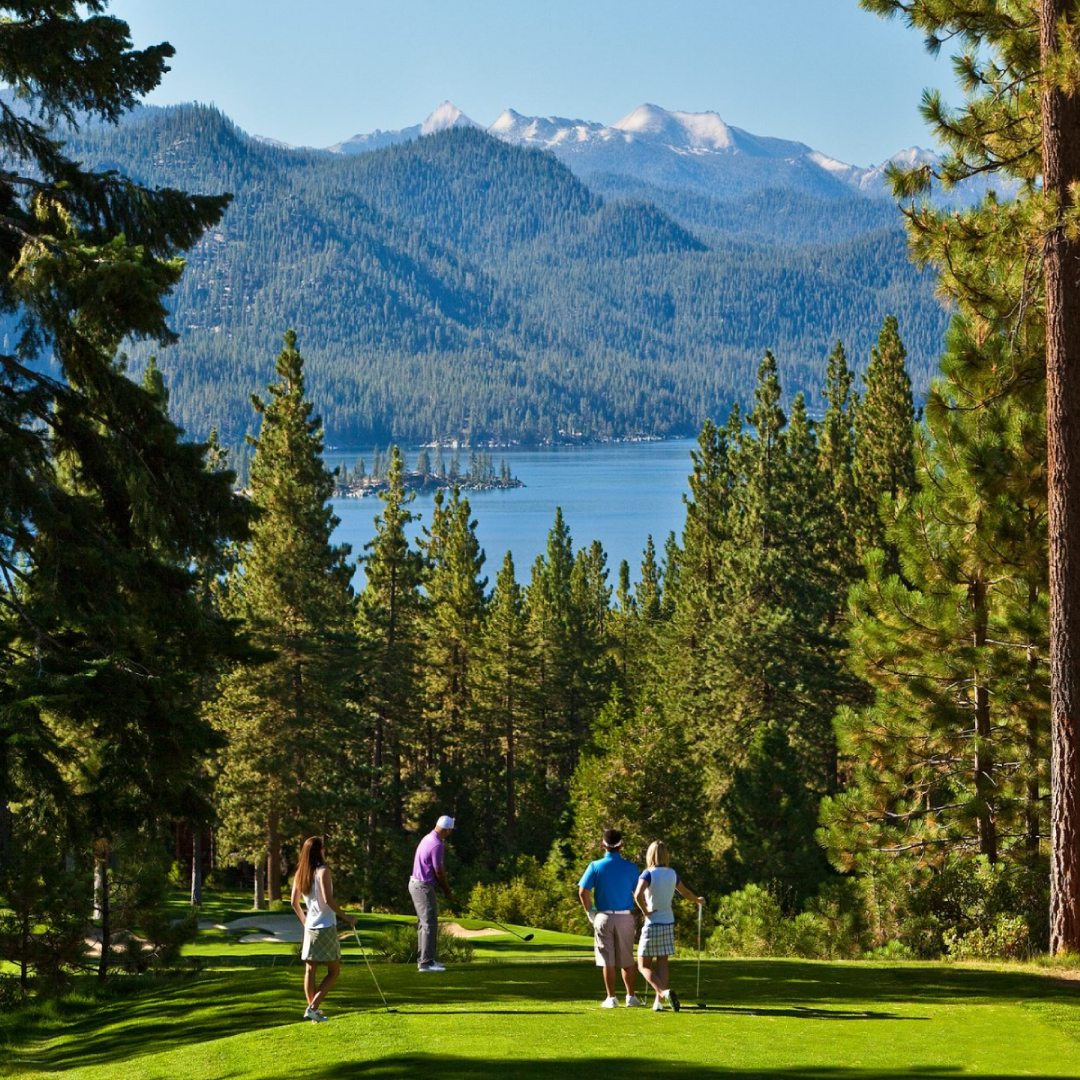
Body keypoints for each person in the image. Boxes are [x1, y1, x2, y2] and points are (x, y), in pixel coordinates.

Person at [290, 836, 357, 1023]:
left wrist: (305, 922)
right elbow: (328, 900)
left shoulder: (301, 873)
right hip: (326, 926)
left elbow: (294, 903)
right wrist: (347, 917)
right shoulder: (323, 871)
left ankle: (313, 1013)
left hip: (310, 927)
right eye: (323, 848)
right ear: (319, 851)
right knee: (334, 971)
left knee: (310, 971)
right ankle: (313, 1008)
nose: (325, 850)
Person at [633, 839, 705, 1012]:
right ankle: (658, 1002)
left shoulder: (648, 874)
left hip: (652, 923)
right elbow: (685, 892)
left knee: (643, 966)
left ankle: (663, 993)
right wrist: (697, 899)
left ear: (650, 855)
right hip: (667, 922)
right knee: (662, 963)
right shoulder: (672, 874)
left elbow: (637, 895)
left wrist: (645, 911)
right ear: (666, 855)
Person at [578, 827, 645, 1008]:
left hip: (603, 916)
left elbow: (583, 891)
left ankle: (611, 998)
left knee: (607, 960)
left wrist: (590, 912)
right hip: (625, 917)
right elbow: (638, 893)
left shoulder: (595, 866)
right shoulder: (631, 867)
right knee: (627, 959)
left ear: (603, 844)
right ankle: (631, 997)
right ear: (621, 845)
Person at [409, 814, 458, 973]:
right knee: (429, 923)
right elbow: (439, 871)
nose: (450, 833)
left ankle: (426, 960)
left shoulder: (427, 838)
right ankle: (426, 963)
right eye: (450, 831)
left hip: (417, 884)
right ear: (447, 830)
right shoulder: (437, 845)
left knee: (425, 924)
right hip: (423, 886)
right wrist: (448, 891)